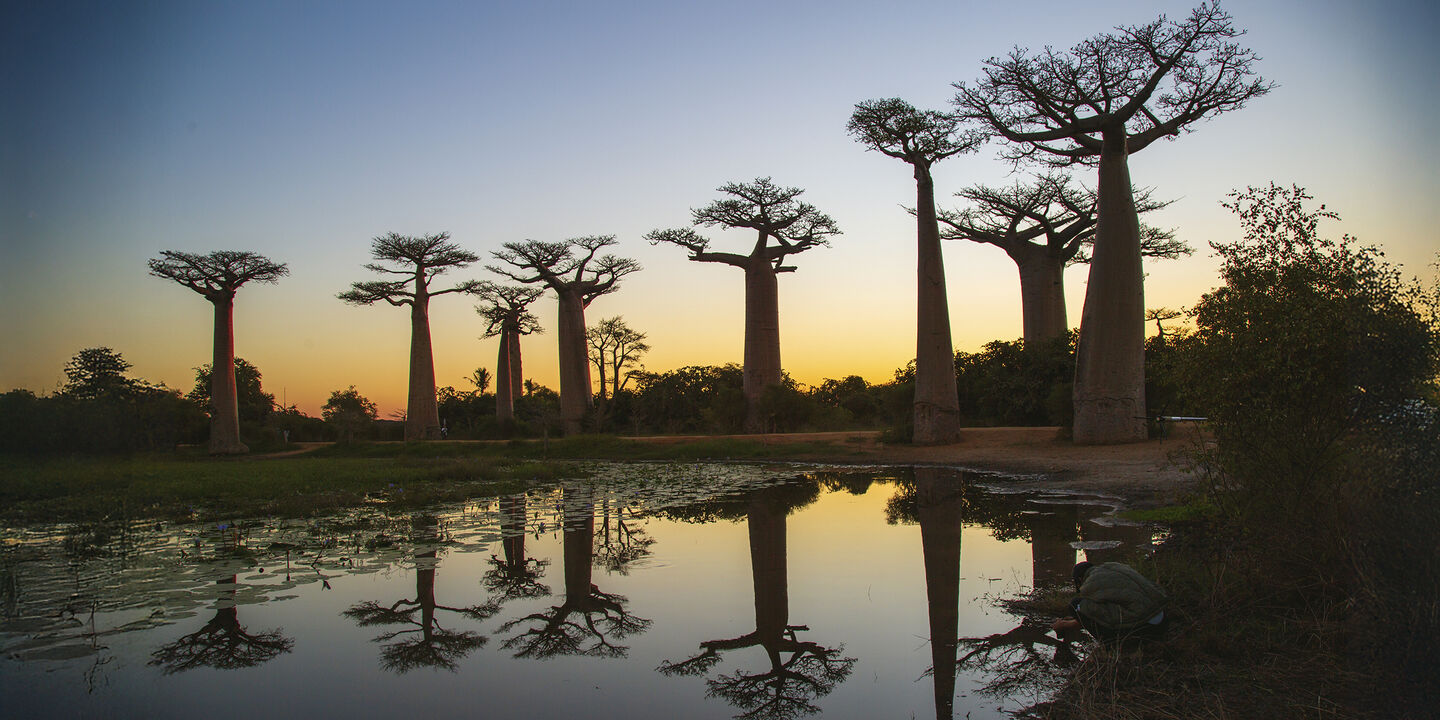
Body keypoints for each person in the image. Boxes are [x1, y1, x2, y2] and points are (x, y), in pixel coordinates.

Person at [1051, 561, 1168, 641]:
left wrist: (1065, 624)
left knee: (1075, 604)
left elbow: (1094, 614)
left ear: (1080, 579)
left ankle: (1109, 645)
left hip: (1146, 629)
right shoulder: (1113, 567)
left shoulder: (1090, 583)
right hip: (1162, 620)